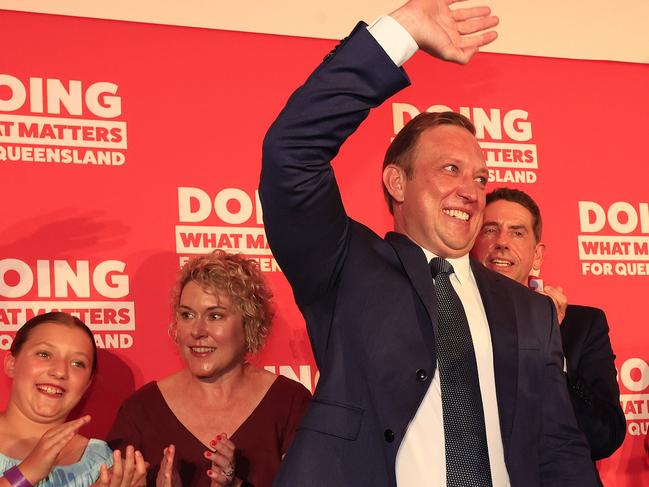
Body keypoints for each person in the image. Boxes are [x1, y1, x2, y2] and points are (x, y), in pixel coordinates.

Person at [260, 0, 597, 485]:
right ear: (397, 183)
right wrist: (403, 33)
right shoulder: (345, 268)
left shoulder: (530, 311)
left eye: (481, 177)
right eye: (449, 169)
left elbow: (559, 449)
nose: (471, 190)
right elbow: (291, 152)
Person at [107, 250, 311, 487]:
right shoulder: (141, 411)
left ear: (249, 324)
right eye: (187, 315)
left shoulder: (289, 404)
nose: (197, 331)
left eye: (215, 316)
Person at [470, 187, 626, 483]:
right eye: (490, 230)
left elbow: (604, 437)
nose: (502, 242)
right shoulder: (450, 322)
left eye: (517, 233)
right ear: (470, 243)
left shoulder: (583, 326)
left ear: (537, 255)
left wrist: (549, 346)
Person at [0, 312, 147, 487]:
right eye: (44, 354)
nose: (60, 371)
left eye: (78, 363)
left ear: (87, 384)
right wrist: (26, 473)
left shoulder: (101, 463)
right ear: (11, 364)